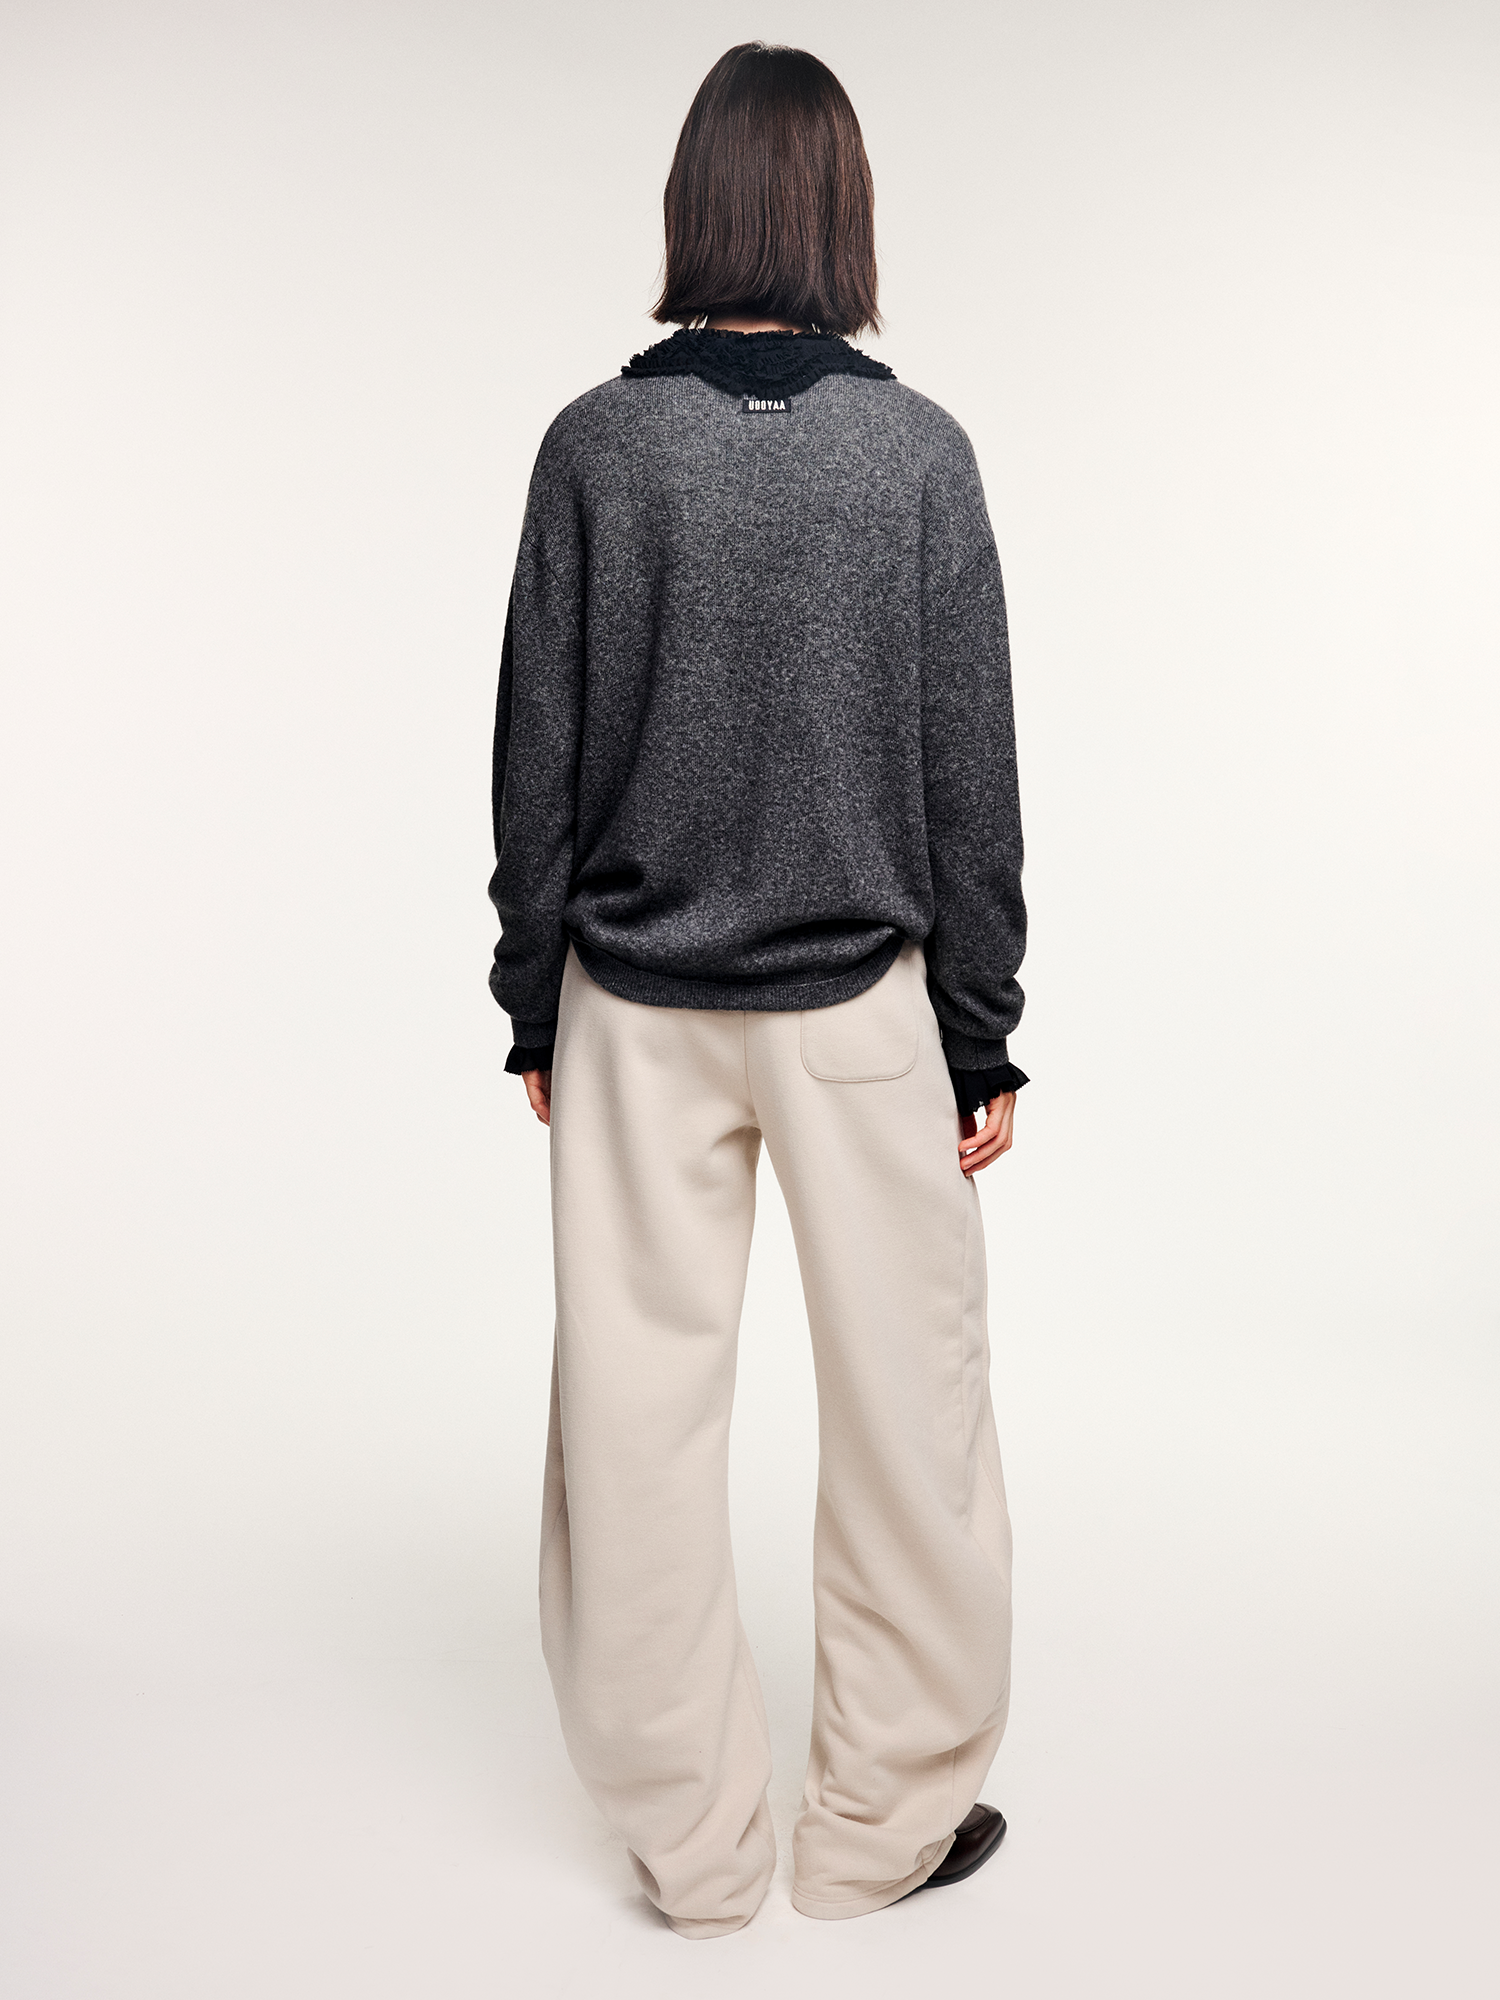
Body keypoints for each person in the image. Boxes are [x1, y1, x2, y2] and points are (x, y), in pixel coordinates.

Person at [487, 42, 1028, 1937]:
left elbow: (535, 757)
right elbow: (971, 773)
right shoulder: (919, 456)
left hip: (633, 1008)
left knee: (631, 1423)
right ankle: (878, 1834)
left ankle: (693, 1851)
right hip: (863, 1015)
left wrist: (531, 997)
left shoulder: (595, 449)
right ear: (842, 213)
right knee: (911, 1424)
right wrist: (983, 1026)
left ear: (691, 204)